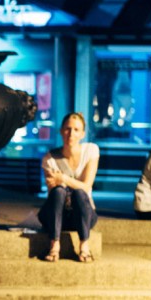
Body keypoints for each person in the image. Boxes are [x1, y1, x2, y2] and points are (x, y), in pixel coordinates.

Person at [38, 112, 100, 262]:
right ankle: (54, 244)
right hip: (58, 215)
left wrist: (63, 178)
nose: (71, 134)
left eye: (76, 130)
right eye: (67, 129)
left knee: (79, 193)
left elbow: (86, 186)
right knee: (59, 192)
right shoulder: (50, 159)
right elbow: (53, 192)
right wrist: (63, 184)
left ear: (82, 134)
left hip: (83, 213)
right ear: (61, 131)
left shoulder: (91, 151)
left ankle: (84, 245)